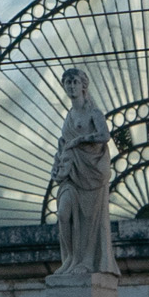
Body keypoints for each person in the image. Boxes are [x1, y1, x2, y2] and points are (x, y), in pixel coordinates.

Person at [50, 68, 116, 277]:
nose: (71, 86)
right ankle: (70, 258)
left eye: (75, 82)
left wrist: (79, 141)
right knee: (63, 214)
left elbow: (104, 135)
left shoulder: (94, 113)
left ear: (83, 85)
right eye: (67, 83)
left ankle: (86, 261)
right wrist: (56, 162)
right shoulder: (69, 116)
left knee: (89, 220)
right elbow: (63, 144)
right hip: (70, 172)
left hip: (92, 173)